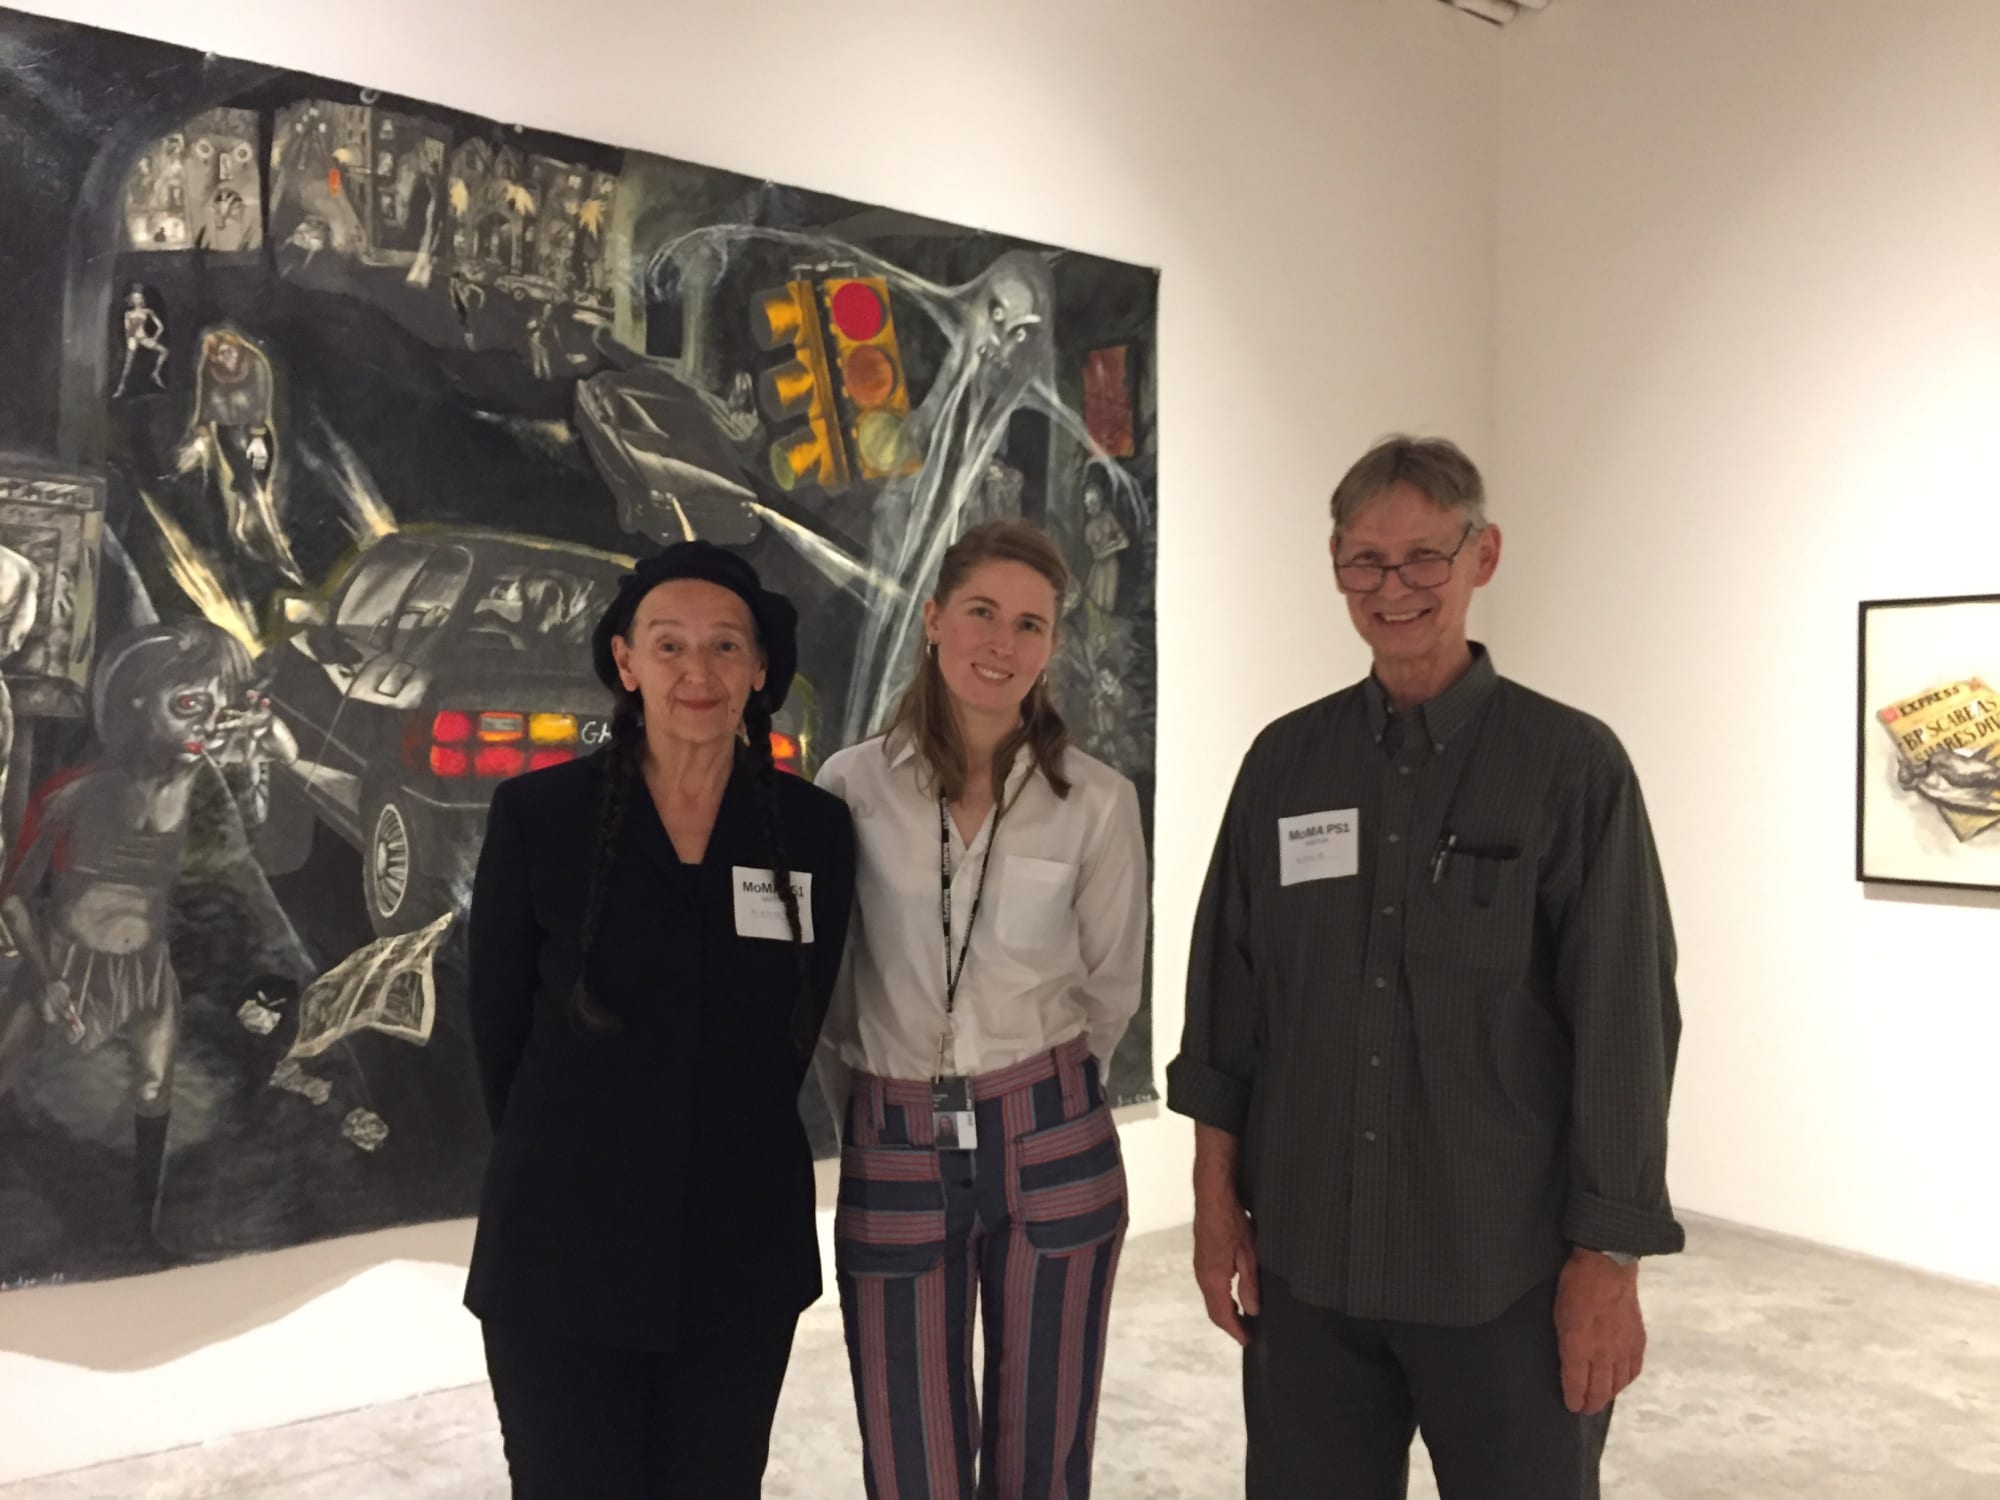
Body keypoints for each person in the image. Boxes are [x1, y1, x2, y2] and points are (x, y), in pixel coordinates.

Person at [1167, 436, 1683, 1500]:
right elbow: (1226, 1004)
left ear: (1481, 556)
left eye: (1421, 559)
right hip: (1309, 1272)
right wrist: (1216, 1202)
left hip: (1498, 1276)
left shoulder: (1570, 768)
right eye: (1364, 561)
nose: (1391, 588)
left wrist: (1607, 1263)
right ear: (1333, 565)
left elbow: (1624, 1027)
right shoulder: (1283, 765)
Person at [462, 541, 856, 1498]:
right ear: (625, 662)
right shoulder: (537, 815)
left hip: (737, 1246)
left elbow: (803, 1017)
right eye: (669, 645)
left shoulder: (812, 831)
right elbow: (497, 1027)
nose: (699, 671)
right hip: (561, 1245)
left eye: (726, 647)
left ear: (761, 672)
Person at [816, 520, 1149, 1500]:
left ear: (1049, 647)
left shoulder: (1092, 801)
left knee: (1041, 1449)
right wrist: (885, 1094)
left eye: (1030, 625)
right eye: (980, 613)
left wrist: (1029, 1084)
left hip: (1051, 1133)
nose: (1000, 644)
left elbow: (1111, 986)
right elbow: (834, 986)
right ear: (931, 620)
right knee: (906, 1449)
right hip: (893, 1133)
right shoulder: (850, 786)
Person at [0, 620, 249, 1238]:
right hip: (64, 960)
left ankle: (145, 1225)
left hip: (147, 971)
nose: (209, 723)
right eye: (190, 703)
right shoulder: (75, 796)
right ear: (139, 696)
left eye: (221, 708)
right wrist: (47, 979)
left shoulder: (205, 792)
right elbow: (12, 900)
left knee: (153, 1086)